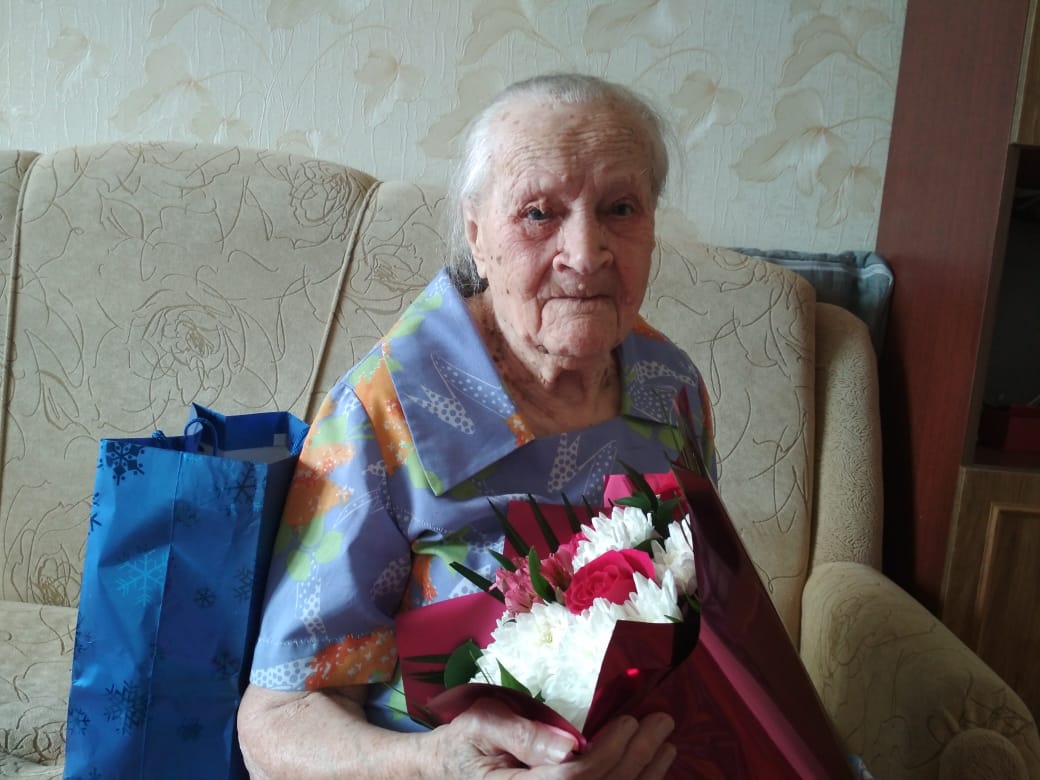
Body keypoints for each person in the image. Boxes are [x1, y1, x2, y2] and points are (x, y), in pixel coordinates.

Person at [238, 73, 716, 779]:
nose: (586, 253)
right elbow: (276, 721)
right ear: (476, 233)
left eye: (620, 208)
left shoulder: (670, 384)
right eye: (538, 214)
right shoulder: (382, 412)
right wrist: (438, 766)